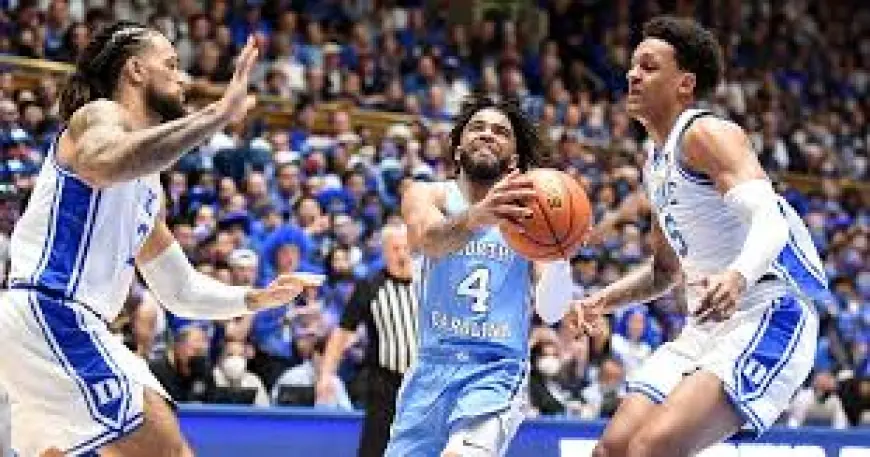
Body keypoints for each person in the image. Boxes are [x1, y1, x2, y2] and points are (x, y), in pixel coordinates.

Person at [0, 21, 319, 457]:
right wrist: (216, 116)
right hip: (52, 312)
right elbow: (102, 162)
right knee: (168, 450)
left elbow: (180, 291)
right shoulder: (99, 115)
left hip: (57, 326)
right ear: (134, 70)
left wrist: (252, 299)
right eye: (170, 65)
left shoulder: (148, 186)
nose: (181, 77)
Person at [572, 16, 827, 457]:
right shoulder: (656, 162)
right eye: (632, 65)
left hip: (769, 311)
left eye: (649, 67)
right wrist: (602, 300)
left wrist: (738, 276)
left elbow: (771, 221)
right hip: (706, 325)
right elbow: (664, 272)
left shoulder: (708, 133)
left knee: (649, 450)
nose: (632, 74)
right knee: (610, 450)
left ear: (684, 84)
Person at [385, 95, 575, 457]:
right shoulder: (429, 194)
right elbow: (428, 241)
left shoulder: (532, 217)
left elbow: (551, 312)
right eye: (477, 127)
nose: (488, 135)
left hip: (496, 370)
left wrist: (560, 257)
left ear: (514, 159)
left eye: (501, 131)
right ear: (457, 149)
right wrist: (477, 217)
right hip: (429, 369)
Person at [317, 223, 418, 457]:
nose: (402, 254)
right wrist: (325, 375)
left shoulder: (429, 282)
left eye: (405, 247)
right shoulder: (370, 287)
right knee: (375, 448)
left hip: (425, 381)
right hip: (385, 382)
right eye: (395, 248)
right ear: (384, 252)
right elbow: (342, 332)